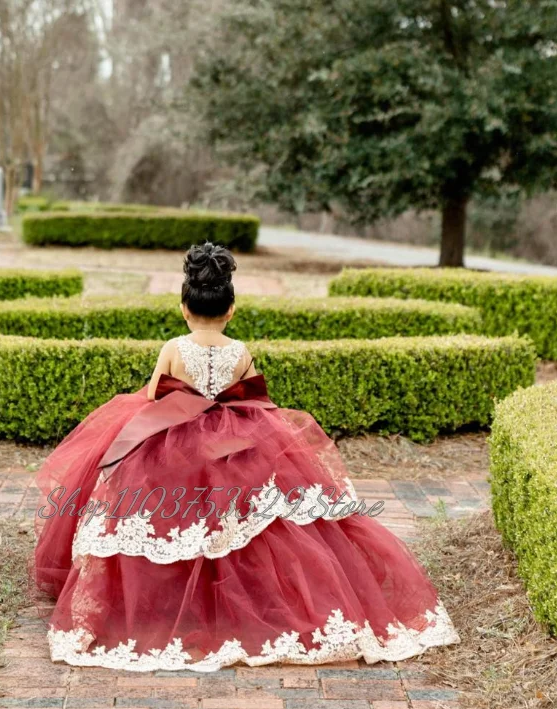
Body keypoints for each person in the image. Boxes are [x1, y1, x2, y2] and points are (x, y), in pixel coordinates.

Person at [32, 242, 459, 671]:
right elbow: (259, 402)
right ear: (231, 309)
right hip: (234, 444)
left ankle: (171, 602)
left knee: (172, 517)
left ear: (184, 307)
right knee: (246, 519)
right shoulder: (240, 351)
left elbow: (150, 397)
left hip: (175, 447)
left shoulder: (174, 347)